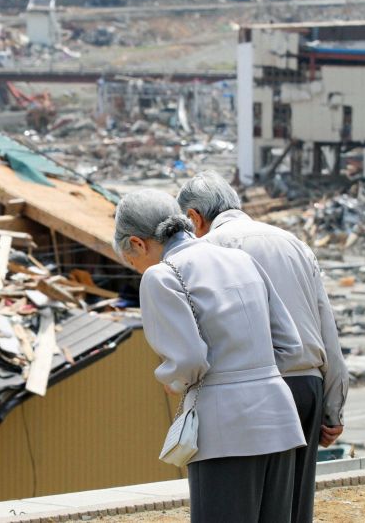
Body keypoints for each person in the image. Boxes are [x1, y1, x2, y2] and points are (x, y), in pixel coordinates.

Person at [114, 189, 307, 523]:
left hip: (224, 428)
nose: (136, 268)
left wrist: (174, 380)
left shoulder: (162, 275)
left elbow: (188, 360)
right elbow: (291, 345)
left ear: (138, 243)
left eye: (131, 260)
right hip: (279, 417)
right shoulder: (240, 259)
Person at [177, 171, 349, 523]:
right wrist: (332, 409)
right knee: (293, 510)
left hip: (252, 394)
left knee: (238, 507)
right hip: (307, 389)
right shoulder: (293, 242)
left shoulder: (206, 251)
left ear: (194, 217)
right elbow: (326, 330)